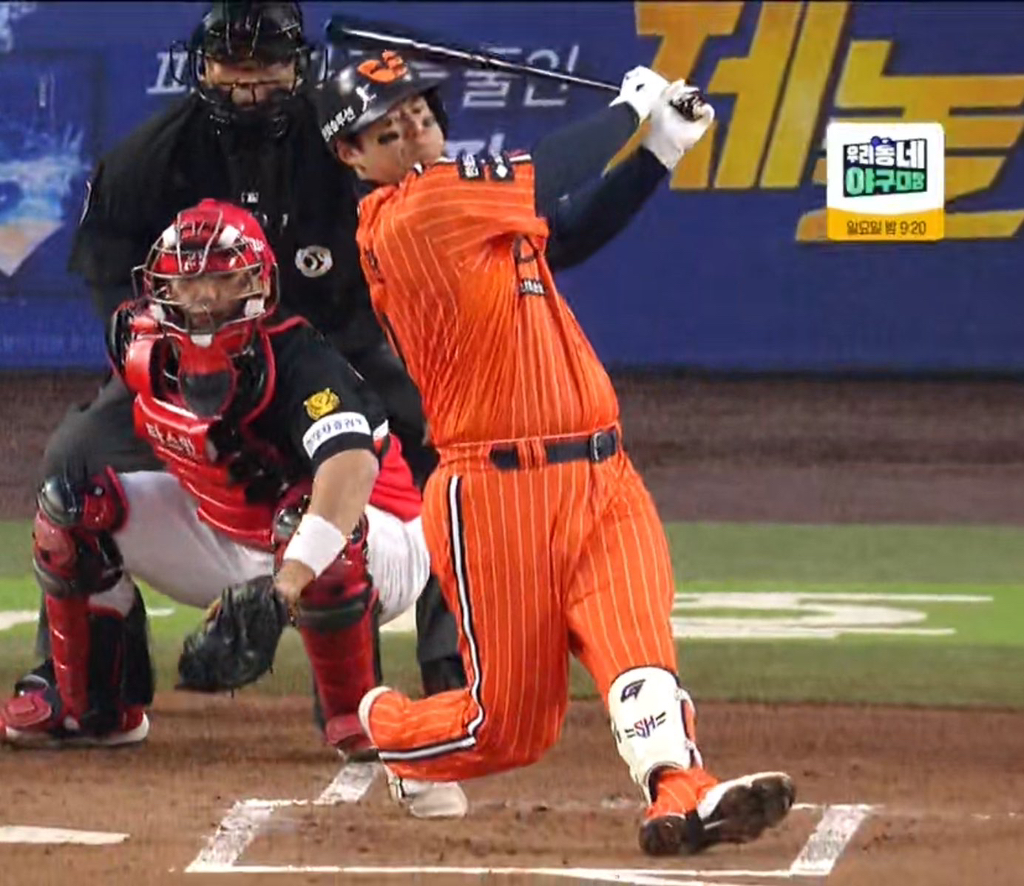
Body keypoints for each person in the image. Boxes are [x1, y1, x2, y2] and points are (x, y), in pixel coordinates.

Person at [311, 53, 796, 856]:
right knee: (509, 728)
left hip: (603, 475)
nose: (415, 136)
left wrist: (658, 153)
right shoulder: (415, 215)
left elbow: (567, 230)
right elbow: (553, 172)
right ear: (352, 156)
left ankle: (680, 794)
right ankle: (393, 730)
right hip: (495, 495)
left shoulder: (474, 210)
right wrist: (630, 111)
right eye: (387, 132)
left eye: (421, 117)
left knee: (636, 645)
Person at [17, 0, 467, 738]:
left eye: (267, 67)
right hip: (195, 352)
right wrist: (164, 351)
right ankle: (81, 682)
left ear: (298, 67)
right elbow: (108, 277)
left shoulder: (342, 140)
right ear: (203, 68)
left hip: (337, 350)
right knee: (74, 465)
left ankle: (451, 661)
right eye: (233, 66)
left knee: (455, 444)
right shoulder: (152, 157)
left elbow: (420, 213)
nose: (249, 83)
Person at [1, 199, 468, 817]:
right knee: (71, 507)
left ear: (258, 286)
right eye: (185, 281)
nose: (200, 298)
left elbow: (351, 470)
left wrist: (285, 586)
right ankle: (91, 706)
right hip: (234, 531)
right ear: (159, 287)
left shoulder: (299, 360)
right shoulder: (136, 344)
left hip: (379, 543)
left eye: (220, 280)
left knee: (308, 522)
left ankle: (356, 717)